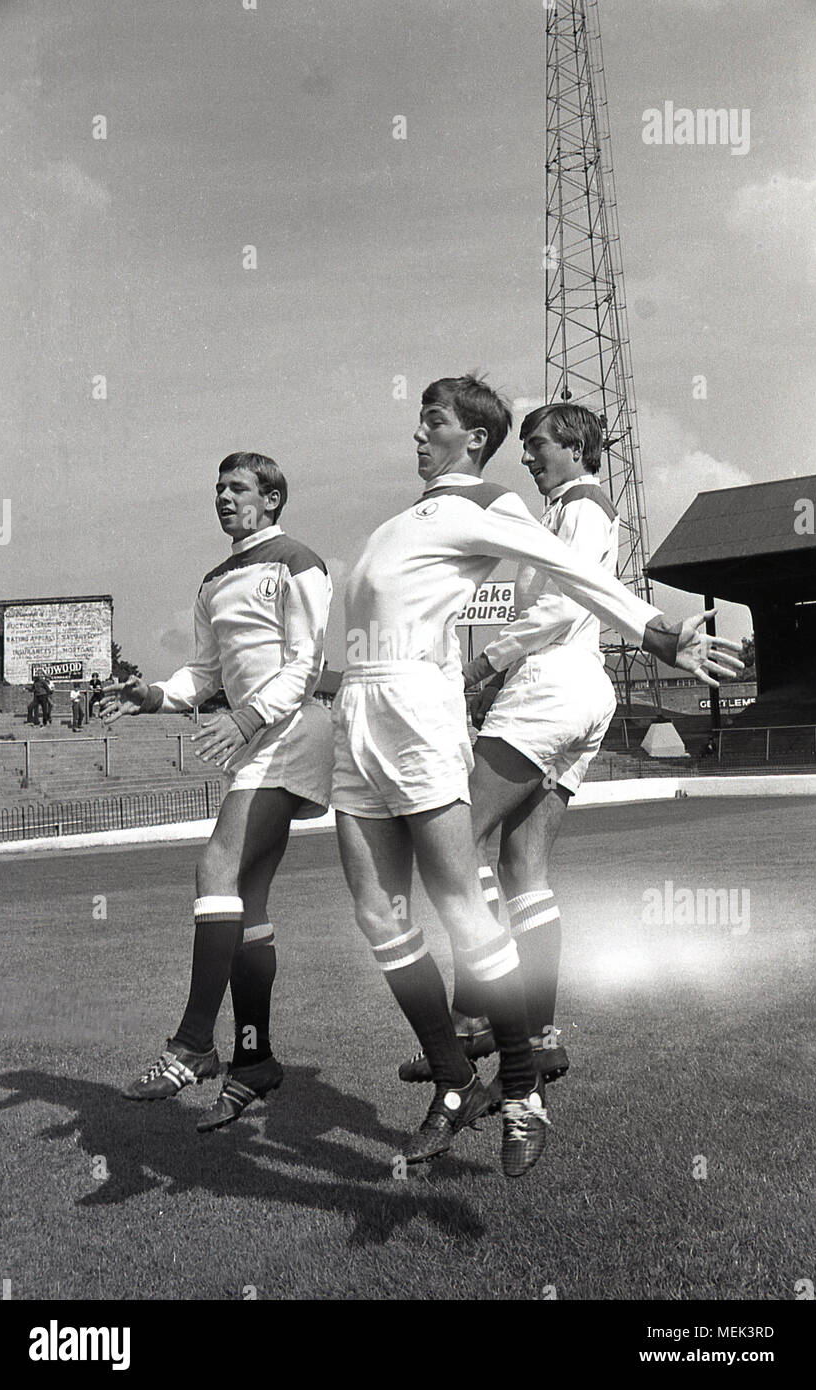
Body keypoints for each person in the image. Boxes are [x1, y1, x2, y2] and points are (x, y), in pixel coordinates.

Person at [333, 375, 741, 1179]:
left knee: (459, 883)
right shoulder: (406, 518)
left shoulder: (496, 506)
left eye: (434, 423)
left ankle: (514, 1075)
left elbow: (577, 578)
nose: (417, 435)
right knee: (385, 912)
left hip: (443, 699)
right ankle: (459, 1073)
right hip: (359, 708)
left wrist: (657, 635)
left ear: (471, 438)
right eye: (417, 422)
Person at [398, 403, 639, 1095]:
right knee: (521, 867)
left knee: (455, 839)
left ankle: (474, 1018)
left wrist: (483, 665)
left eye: (537, 446)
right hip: (581, 690)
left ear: (575, 445)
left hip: (550, 685)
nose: (528, 458)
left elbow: (561, 607)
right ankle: (538, 1036)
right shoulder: (574, 507)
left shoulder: (582, 506)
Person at [100, 452, 333, 1130]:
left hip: (290, 733)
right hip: (253, 737)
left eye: (238, 488)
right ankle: (253, 1058)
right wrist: (148, 694)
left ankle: (193, 1044)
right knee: (246, 904)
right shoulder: (212, 581)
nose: (224, 499)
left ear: (272, 498)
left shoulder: (298, 561)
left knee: (214, 867)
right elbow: (200, 675)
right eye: (219, 489)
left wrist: (245, 718)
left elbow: (306, 662)